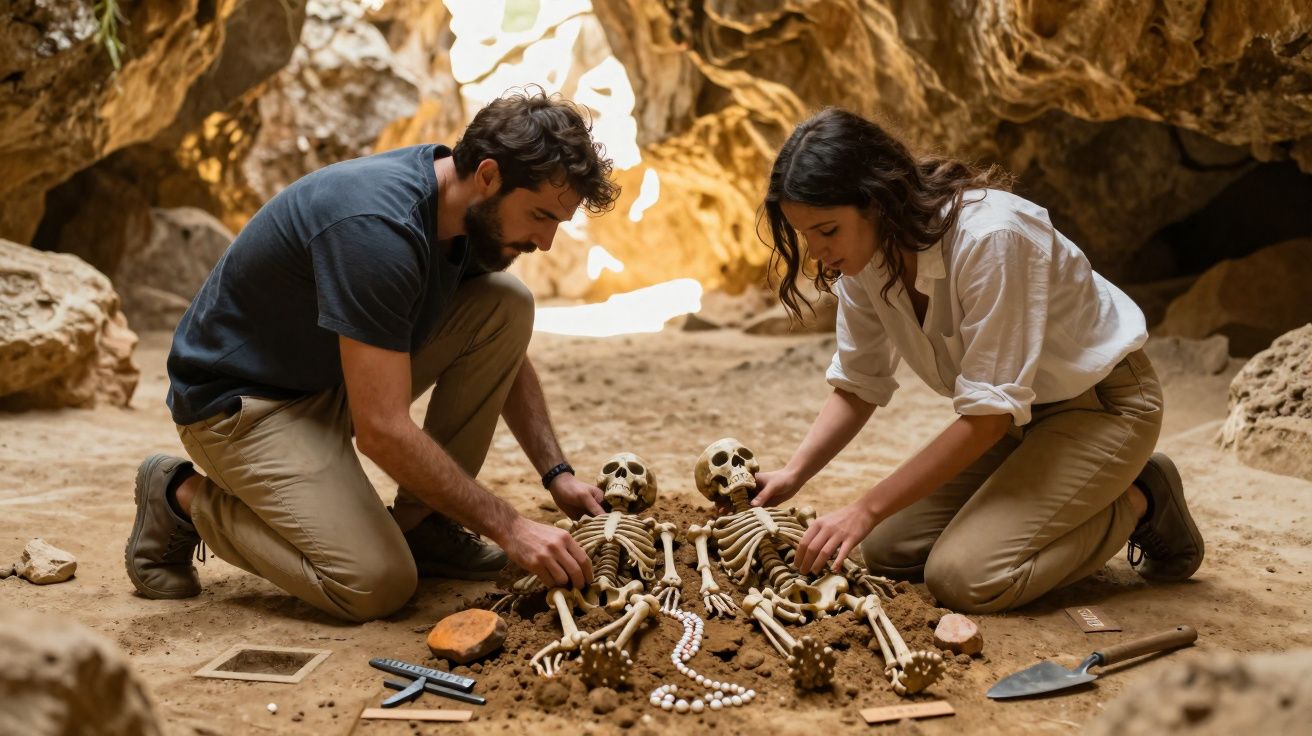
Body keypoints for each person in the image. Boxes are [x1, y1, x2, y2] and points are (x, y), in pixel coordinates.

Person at [124, 90, 619, 622]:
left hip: (331, 376)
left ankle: (425, 526)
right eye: (540, 215)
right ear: (489, 176)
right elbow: (380, 430)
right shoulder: (378, 230)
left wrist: (556, 472)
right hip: (242, 407)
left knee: (506, 303)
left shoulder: (463, 212)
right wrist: (510, 527)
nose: (545, 241)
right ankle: (180, 497)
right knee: (375, 584)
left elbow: (503, 351)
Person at [750, 107, 1205, 613]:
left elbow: (987, 420)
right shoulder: (864, 261)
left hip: (1103, 408)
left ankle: (1142, 497)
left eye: (828, 230)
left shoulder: (992, 238)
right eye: (807, 235)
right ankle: (1066, 482)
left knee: (965, 578)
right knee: (887, 550)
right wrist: (794, 474)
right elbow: (859, 385)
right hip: (1019, 419)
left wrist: (864, 508)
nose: (818, 252)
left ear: (875, 201)